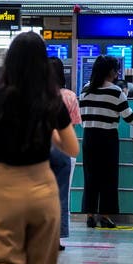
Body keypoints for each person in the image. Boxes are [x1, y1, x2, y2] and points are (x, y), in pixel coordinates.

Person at [0, 32, 79, 264]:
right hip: (43, 190)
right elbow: (72, 148)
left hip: (6, 189)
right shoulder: (52, 100)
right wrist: (52, 135)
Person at [79, 55, 133, 229]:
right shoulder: (116, 91)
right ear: (110, 71)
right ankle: (105, 216)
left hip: (89, 137)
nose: (117, 74)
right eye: (116, 70)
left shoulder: (85, 90)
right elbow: (130, 118)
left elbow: (81, 115)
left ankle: (90, 215)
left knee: (90, 177)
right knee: (108, 178)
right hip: (107, 138)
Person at [48, 56, 81, 250]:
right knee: (60, 194)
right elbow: (74, 123)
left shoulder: (37, 95)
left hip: (39, 147)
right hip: (62, 148)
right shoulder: (69, 96)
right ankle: (56, 239)